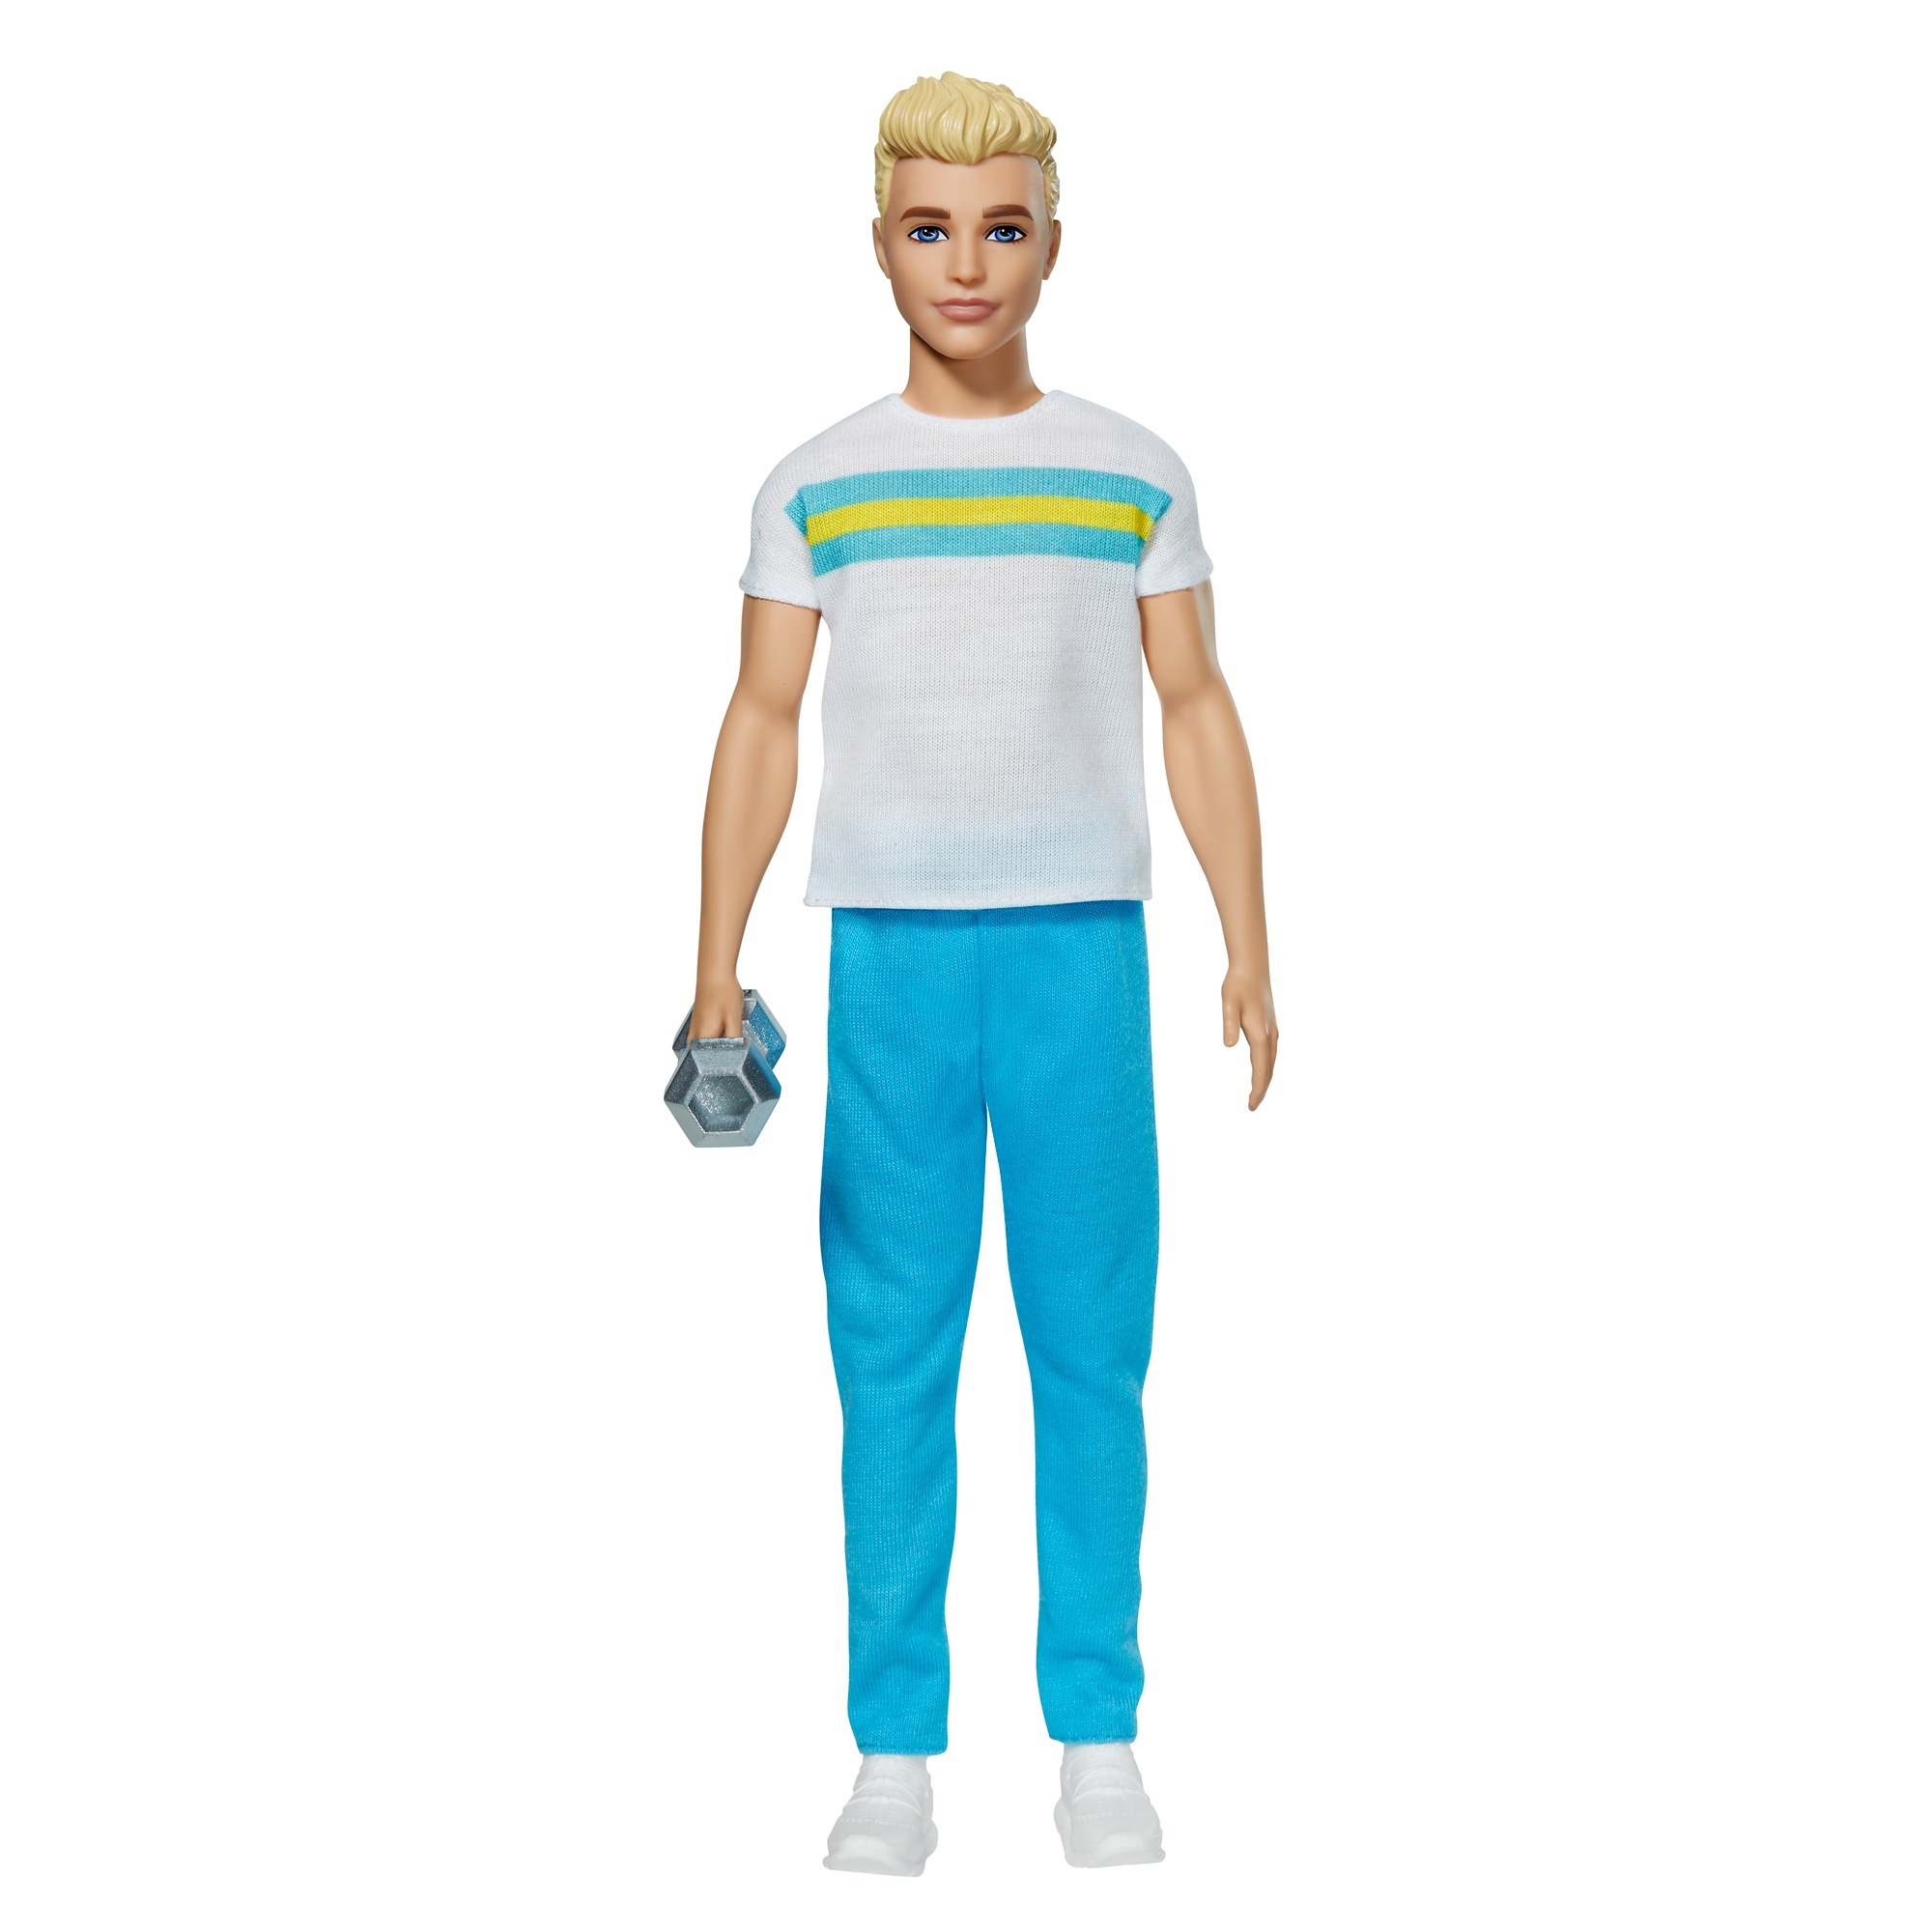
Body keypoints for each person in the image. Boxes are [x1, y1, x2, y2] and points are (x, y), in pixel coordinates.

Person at [685, 71, 1276, 1874]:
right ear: (878, 246)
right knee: (891, 1357)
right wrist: (713, 963)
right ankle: (894, 1752)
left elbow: (1196, 702)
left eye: (1002, 227)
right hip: (890, 959)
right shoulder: (818, 486)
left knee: (1094, 1346)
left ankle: (1099, 1732)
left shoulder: (1131, 473)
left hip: (1082, 950)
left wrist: (1251, 937)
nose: (966, 264)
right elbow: (762, 720)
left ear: (1053, 246)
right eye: (930, 228)